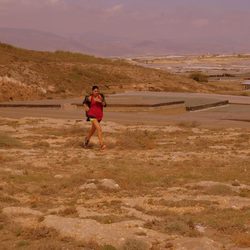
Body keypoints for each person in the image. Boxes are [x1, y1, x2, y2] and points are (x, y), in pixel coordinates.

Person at [83, 85, 107, 150]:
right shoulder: (90, 97)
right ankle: (102, 144)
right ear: (92, 91)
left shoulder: (101, 96)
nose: (96, 92)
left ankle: (86, 139)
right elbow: (84, 102)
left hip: (99, 116)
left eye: (97, 91)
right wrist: (86, 107)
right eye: (95, 91)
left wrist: (100, 102)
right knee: (99, 129)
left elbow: (105, 105)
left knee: (92, 130)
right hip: (91, 115)